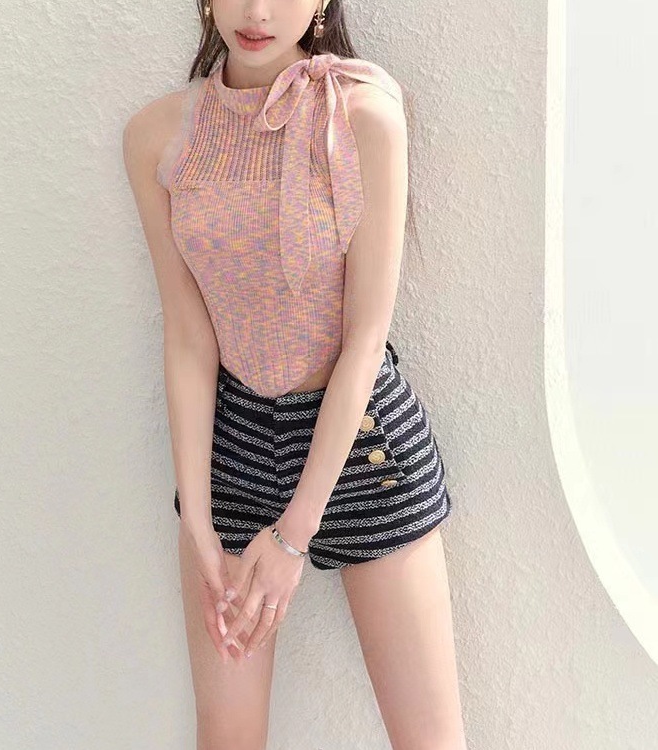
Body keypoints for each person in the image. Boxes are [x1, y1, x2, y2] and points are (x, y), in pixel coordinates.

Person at [123, 1, 467, 747]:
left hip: (361, 444)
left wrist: (292, 539)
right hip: (234, 443)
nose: (257, 12)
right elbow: (188, 334)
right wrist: (197, 518)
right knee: (227, 736)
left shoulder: (365, 113)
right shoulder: (156, 136)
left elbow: (365, 338)